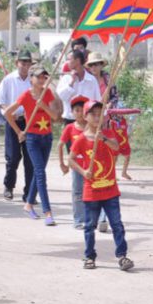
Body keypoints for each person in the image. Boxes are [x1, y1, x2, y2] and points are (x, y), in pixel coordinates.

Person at [69, 100, 134, 271]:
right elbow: (71, 160)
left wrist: (103, 138)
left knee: (117, 224)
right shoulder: (82, 139)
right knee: (89, 226)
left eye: (100, 114)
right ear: (85, 116)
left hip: (110, 190)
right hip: (92, 192)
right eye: (93, 114)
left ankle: (122, 256)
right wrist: (83, 172)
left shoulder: (107, 133)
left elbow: (117, 147)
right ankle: (89, 256)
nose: (97, 117)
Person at [5, 65, 60, 225]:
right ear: (31, 79)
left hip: (47, 138)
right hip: (33, 139)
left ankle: (28, 205)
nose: (42, 79)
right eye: (38, 76)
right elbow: (8, 113)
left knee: (39, 172)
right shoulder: (25, 96)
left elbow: (55, 116)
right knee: (41, 174)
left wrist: (43, 106)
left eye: (44, 77)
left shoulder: (47, 93)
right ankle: (48, 212)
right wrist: (18, 132)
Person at [0, 49, 34, 201]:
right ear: (17, 63)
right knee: (13, 157)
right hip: (13, 122)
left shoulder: (33, 81)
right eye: (23, 63)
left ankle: (29, 192)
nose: (25, 66)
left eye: (28, 63)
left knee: (30, 158)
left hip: (29, 122)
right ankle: (9, 186)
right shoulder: (9, 80)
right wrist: (8, 111)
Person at [58, 95, 89, 229]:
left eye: (82, 110)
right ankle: (79, 220)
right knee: (77, 192)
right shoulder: (70, 128)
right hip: (76, 166)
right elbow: (60, 145)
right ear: (72, 112)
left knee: (96, 190)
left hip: (91, 165)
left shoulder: (93, 127)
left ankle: (100, 219)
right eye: (76, 110)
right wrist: (62, 164)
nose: (80, 113)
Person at [57, 50, 101, 124]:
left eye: (69, 59)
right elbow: (62, 97)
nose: (67, 62)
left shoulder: (91, 80)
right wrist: (72, 82)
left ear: (77, 61)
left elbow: (97, 99)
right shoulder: (66, 78)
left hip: (87, 120)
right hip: (70, 120)